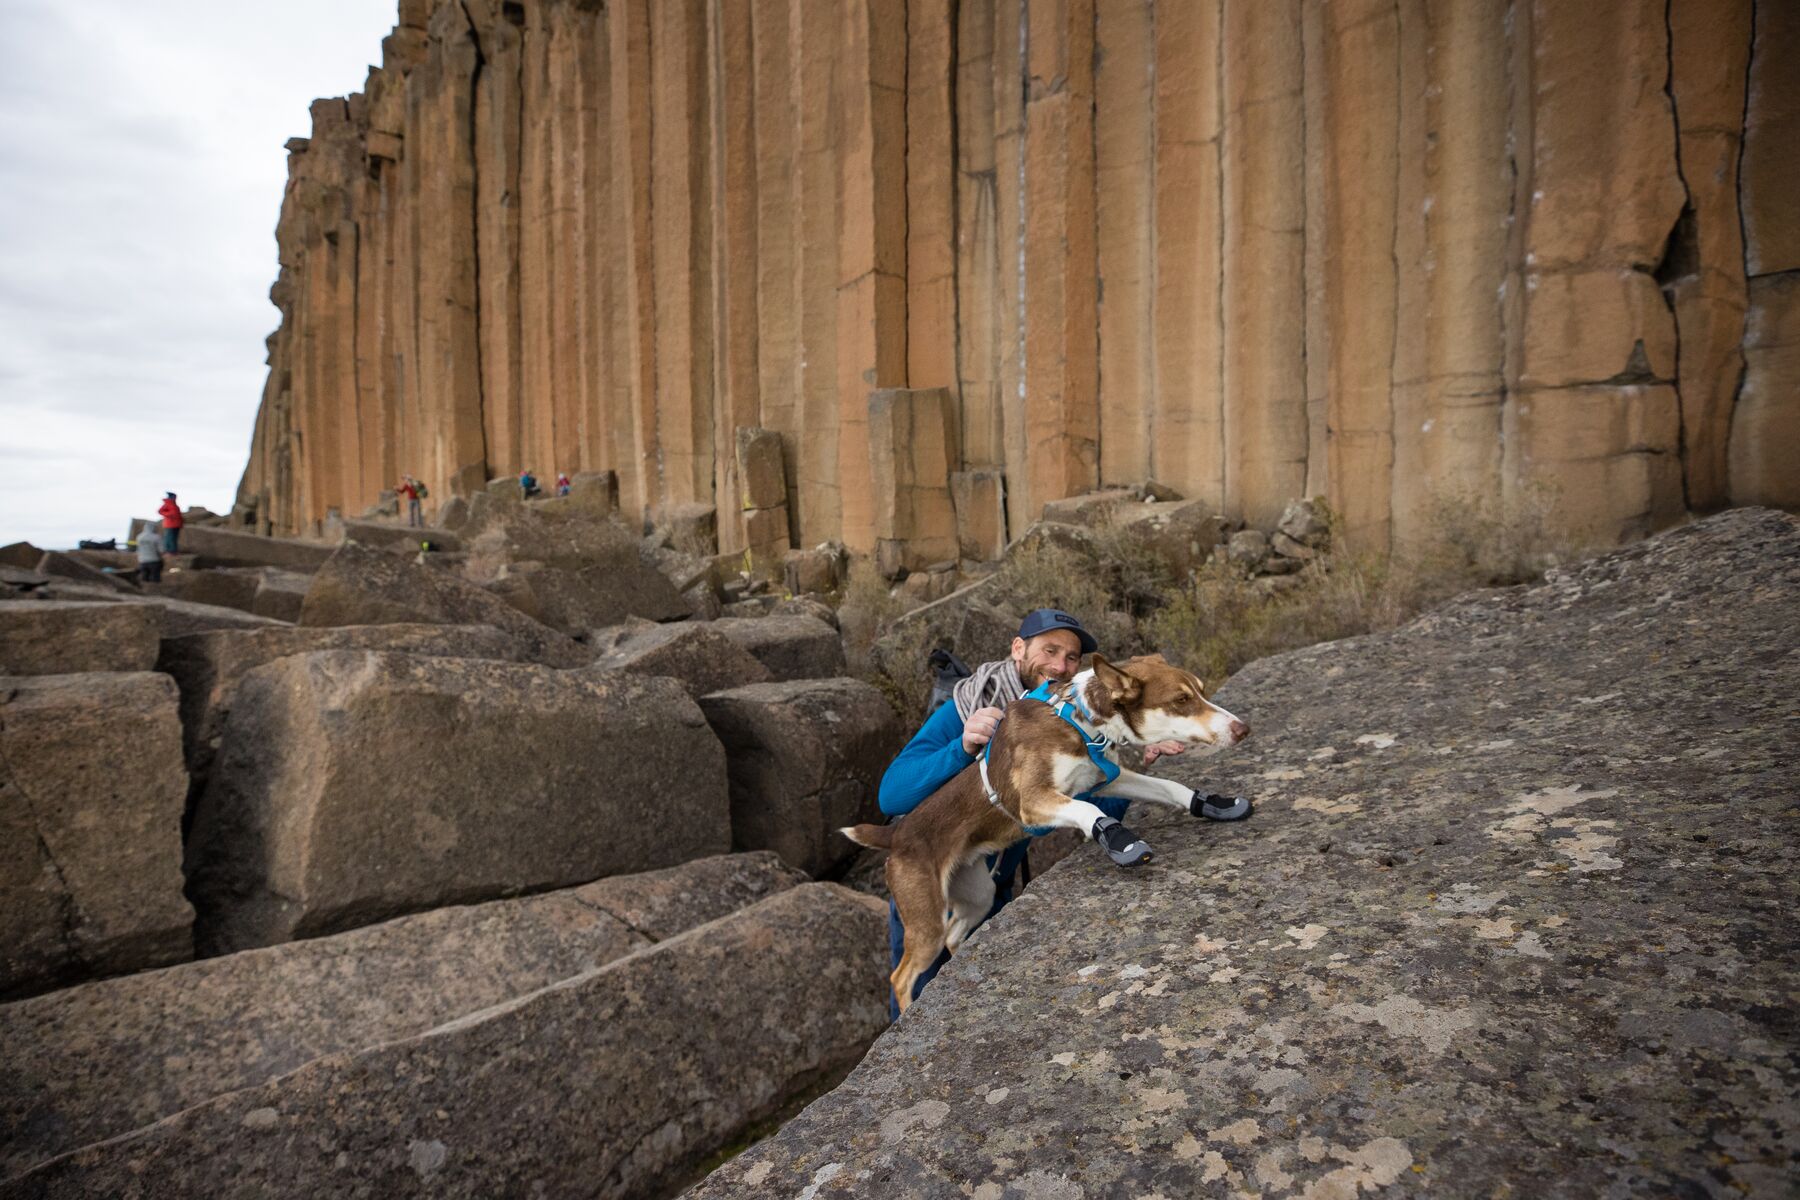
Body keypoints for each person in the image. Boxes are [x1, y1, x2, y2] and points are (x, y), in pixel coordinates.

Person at [876, 608, 1196, 1017]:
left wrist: (1126, 762)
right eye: (1049, 650)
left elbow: (1087, 813)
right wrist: (963, 747)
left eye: (1071, 657)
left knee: (972, 1012)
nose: (1059, 665)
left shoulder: (1078, 718)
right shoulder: (965, 706)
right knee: (918, 996)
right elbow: (891, 796)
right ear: (1018, 648)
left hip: (995, 881)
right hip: (932, 868)